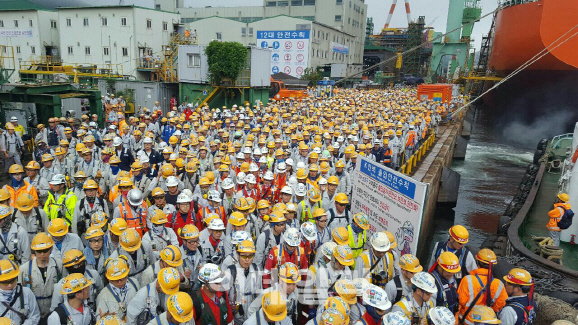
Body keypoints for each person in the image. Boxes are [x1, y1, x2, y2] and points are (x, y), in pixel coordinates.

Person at [18, 232, 63, 322]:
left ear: (51, 248)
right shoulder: (24, 269)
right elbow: (20, 293)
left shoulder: (58, 265)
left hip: (54, 309)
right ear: (34, 251)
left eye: (45, 250)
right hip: (33, 311)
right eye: (39, 251)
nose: (42, 254)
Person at [457, 249, 507, 321]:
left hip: (467, 320)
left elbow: (461, 302)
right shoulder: (499, 284)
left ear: (477, 262)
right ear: (492, 266)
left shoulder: (467, 280)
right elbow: (499, 306)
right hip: (486, 321)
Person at [223, 240, 262, 325]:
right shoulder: (231, 272)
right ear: (238, 255)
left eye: (250, 256)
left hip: (253, 314)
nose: (247, 260)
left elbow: (260, 293)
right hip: (236, 315)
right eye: (244, 256)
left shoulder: (256, 270)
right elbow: (224, 297)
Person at [96, 256, 140, 322]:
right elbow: (99, 320)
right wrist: (103, 319)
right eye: (116, 280)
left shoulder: (135, 283)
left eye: (122, 278)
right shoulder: (103, 296)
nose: (120, 282)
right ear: (109, 279)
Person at [0, 259, 41, 324]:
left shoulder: (26, 293)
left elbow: (35, 316)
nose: (10, 285)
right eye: (5, 283)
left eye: (13, 281)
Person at [179, 224, 203, 290]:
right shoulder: (178, 255)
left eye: (197, 240)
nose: (195, 244)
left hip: (198, 290)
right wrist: (183, 279)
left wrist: (204, 270)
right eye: (192, 242)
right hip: (184, 291)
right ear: (184, 241)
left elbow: (205, 262)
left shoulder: (200, 250)